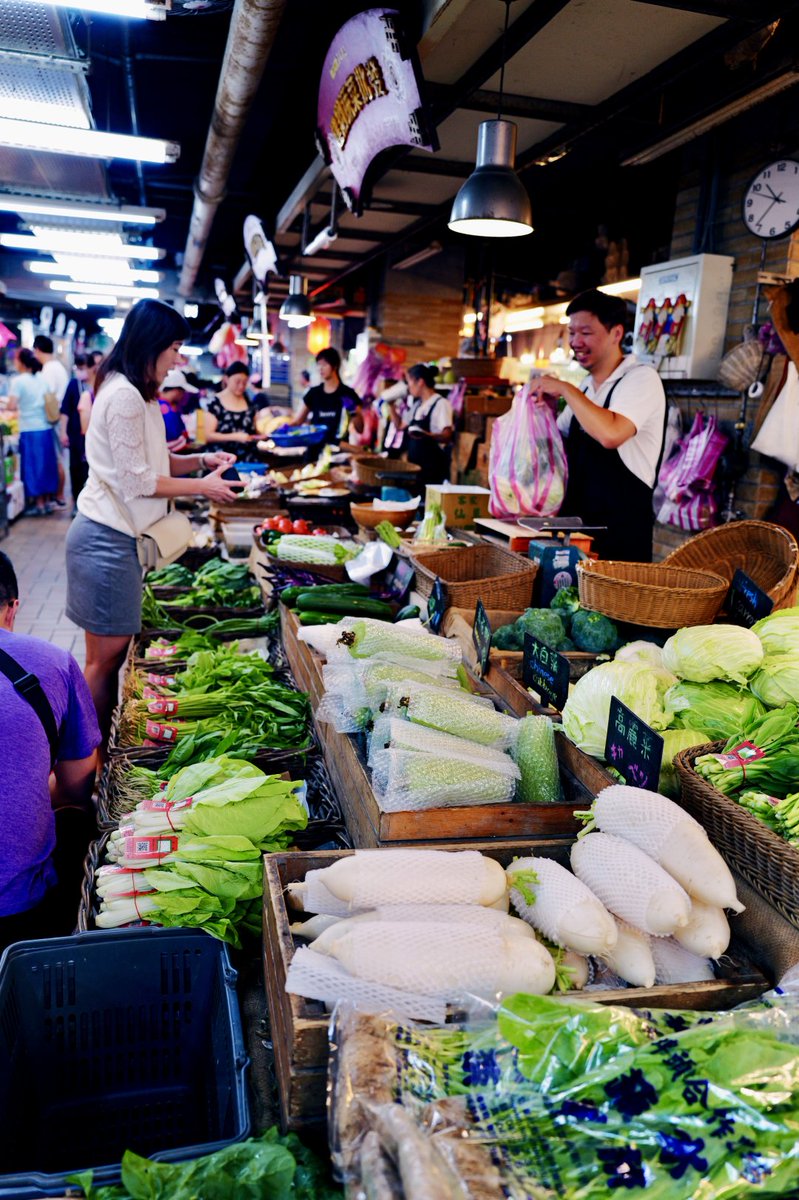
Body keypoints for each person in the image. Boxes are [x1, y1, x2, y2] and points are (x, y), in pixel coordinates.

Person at [65, 299, 242, 743]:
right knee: (103, 662)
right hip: (105, 541)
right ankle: (87, 759)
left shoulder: (139, 394)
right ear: (151, 345)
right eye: (175, 348)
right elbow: (139, 481)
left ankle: (91, 757)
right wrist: (205, 487)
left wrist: (201, 461)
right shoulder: (124, 395)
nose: (179, 359)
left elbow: (156, 463)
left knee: (111, 658)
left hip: (117, 541)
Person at [0, 551, 101, 953]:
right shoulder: (53, 663)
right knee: (80, 821)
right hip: (20, 907)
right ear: (12, 608)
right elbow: (78, 788)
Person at [531, 289, 667, 562]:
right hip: (577, 538)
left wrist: (565, 389)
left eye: (586, 332)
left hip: (618, 541)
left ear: (616, 334)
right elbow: (556, 444)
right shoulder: (587, 388)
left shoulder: (641, 379)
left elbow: (610, 434)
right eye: (571, 333)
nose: (575, 341)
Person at [6, 348, 59, 516]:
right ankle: (45, 502)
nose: (14, 362)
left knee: (33, 466)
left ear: (21, 362)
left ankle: (39, 504)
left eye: (16, 359)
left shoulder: (19, 381)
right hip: (45, 428)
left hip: (29, 429)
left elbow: (12, 406)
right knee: (45, 466)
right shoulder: (41, 380)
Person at [386, 363, 453, 485]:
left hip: (432, 470)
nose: (408, 387)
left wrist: (427, 435)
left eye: (409, 382)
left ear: (420, 382)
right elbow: (400, 426)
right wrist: (391, 406)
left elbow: (447, 435)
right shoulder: (417, 405)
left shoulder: (441, 403)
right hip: (415, 470)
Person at [288, 347, 359, 443]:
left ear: (335, 366)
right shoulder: (313, 393)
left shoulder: (348, 393)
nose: (320, 368)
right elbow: (298, 421)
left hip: (338, 451)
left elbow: (360, 429)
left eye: (324, 364)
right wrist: (283, 428)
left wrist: (353, 411)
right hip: (314, 450)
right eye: (318, 365)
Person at [33, 334, 69, 509]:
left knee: (56, 459)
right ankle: (58, 496)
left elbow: (46, 396)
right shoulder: (57, 366)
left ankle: (60, 497)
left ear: (37, 350)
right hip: (57, 417)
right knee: (58, 458)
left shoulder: (49, 369)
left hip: (53, 419)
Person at [204, 362, 258, 453]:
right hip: (221, 458)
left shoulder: (250, 404)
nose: (241, 386)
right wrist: (235, 437)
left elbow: (255, 430)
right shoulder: (214, 403)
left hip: (248, 459)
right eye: (237, 382)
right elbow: (207, 436)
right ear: (226, 379)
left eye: (244, 383)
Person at [158, 367, 198, 452]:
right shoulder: (167, 411)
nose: (183, 396)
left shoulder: (159, 406)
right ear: (177, 391)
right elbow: (174, 441)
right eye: (183, 392)